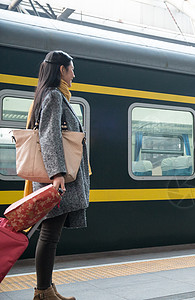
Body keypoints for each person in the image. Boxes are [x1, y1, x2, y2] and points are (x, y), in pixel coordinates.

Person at [26, 50, 90, 300]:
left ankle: (47, 289)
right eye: (72, 69)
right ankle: (43, 292)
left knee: (50, 235)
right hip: (57, 178)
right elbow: (49, 136)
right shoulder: (54, 96)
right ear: (61, 70)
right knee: (49, 235)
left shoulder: (52, 95)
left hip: (56, 176)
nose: (74, 74)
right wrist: (57, 174)